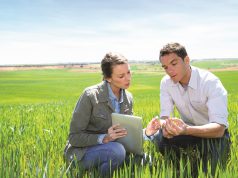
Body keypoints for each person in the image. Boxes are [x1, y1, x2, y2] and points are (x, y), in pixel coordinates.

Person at [144, 42, 231, 176]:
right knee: (160, 138)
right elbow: (165, 116)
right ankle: (179, 168)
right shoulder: (166, 82)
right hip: (187, 132)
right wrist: (163, 126)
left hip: (214, 135)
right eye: (165, 67)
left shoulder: (210, 83)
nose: (169, 71)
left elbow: (219, 129)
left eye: (174, 64)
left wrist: (187, 130)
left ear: (187, 60)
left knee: (211, 173)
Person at [64, 52, 156, 177]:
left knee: (146, 159)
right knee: (117, 151)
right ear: (108, 78)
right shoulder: (90, 96)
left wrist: (146, 133)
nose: (128, 78)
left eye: (128, 72)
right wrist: (104, 138)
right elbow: (74, 138)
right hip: (83, 153)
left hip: (116, 150)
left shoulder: (128, 98)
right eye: (121, 76)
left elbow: (127, 135)